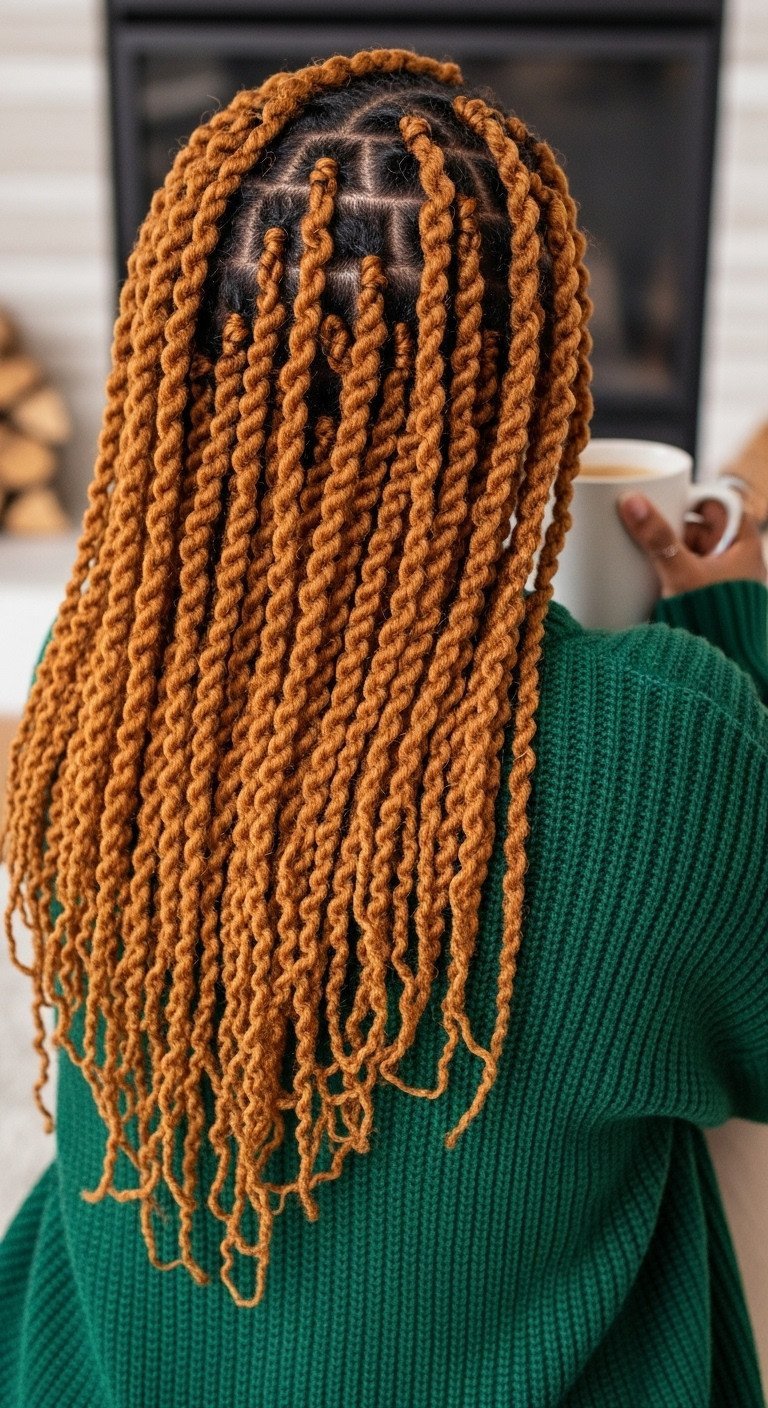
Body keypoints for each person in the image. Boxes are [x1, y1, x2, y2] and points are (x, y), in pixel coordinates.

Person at [0, 47, 766, 1408]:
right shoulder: (664, 749)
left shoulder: (95, 693)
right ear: (536, 398)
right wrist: (738, 627)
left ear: (179, 365)